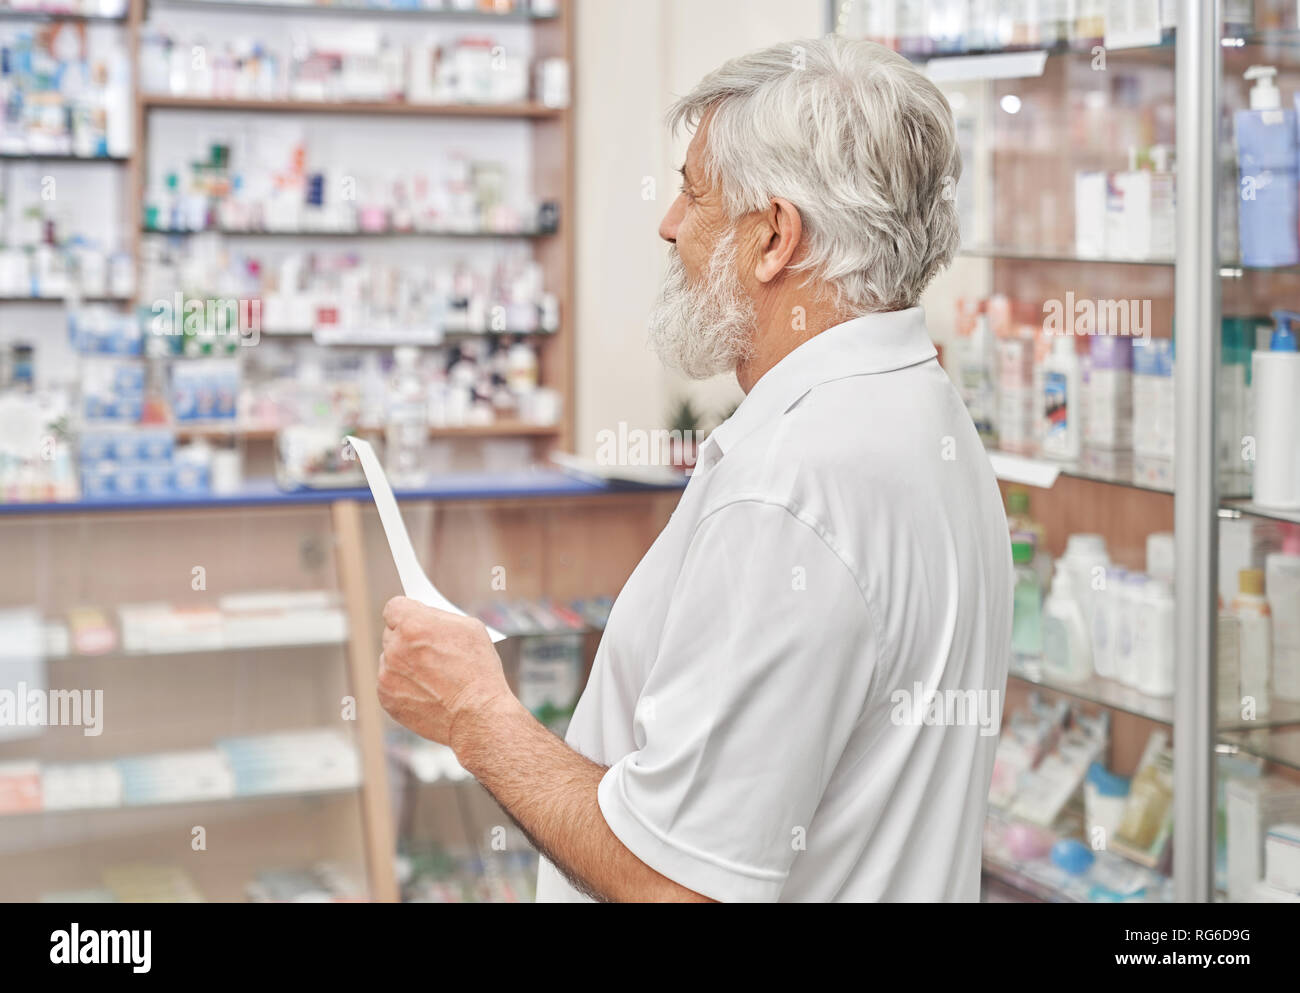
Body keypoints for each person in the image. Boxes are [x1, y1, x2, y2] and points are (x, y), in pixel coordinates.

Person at [376, 35, 1012, 902]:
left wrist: (475, 715)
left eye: (692, 191)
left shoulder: (792, 489)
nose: (669, 222)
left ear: (773, 239)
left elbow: (680, 888)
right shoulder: (922, 410)